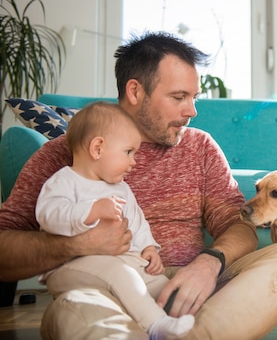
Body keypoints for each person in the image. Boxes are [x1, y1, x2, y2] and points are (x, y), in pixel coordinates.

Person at [0, 31, 277, 339]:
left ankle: (175, 334)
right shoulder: (63, 155)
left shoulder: (200, 146)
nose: (192, 111)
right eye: (179, 97)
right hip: (107, 289)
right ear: (136, 91)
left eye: (193, 97)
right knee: (71, 309)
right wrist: (76, 245)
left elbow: (238, 225)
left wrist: (209, 264)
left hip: (194, 292)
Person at [36, 101, 194, 340]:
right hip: (70, 267)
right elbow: (48, 215)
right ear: (98, 148)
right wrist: (92, 211)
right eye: (128, 152)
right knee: (123, 274)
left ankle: (173, 319)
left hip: (121, 264)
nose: (134, 161)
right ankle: (156, 326)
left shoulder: (121, 188)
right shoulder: (64, 181)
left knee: (159, 283)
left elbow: (137, 221)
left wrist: (149, 248)